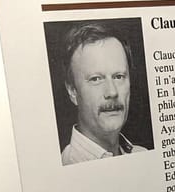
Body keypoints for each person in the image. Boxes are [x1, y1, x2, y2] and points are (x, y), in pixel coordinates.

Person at [61, 22, 147, 164]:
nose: (112, 92)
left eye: (118, 76)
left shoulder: (142, 154)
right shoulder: (68, 164)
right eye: (96, 79)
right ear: (72, 91)